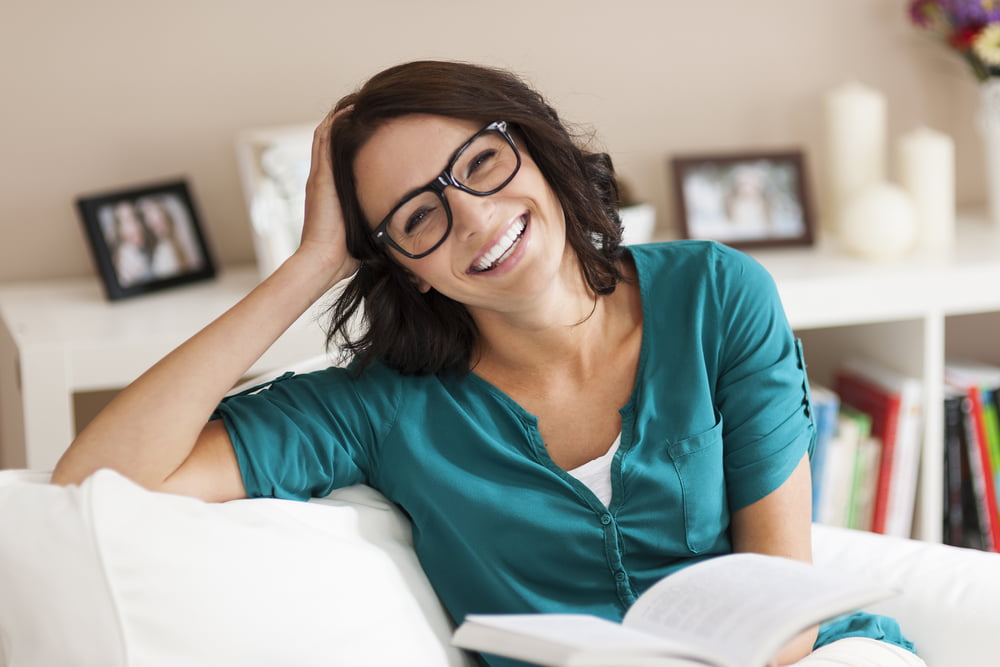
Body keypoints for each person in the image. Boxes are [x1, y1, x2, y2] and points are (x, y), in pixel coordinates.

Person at [52, 61, 923, 667]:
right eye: (418, 217)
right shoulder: (376, 407)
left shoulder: (715, 292)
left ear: (535, 148)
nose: (472, 217)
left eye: (480, 164)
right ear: (401, 265)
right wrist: (311, 265)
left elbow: (784, 607)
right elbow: (98, 472)